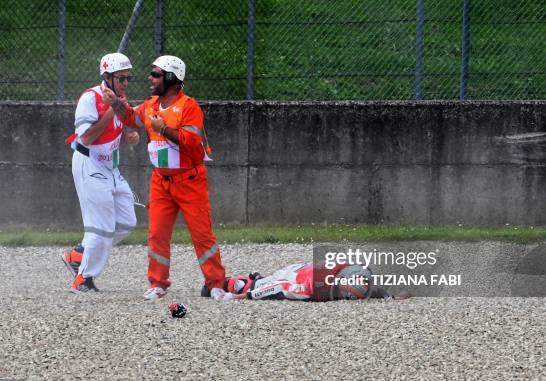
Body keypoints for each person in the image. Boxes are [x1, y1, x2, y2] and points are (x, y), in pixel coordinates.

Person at [109, 55, 227, 301]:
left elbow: (194, 146)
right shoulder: (151, 104)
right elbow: (132, 118)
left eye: (156, 74)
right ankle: (157, 283)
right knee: (157, 234)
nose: (150, 79)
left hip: (190, 181)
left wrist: (163, 129)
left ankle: (215, 283)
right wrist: (119, 106)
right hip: (161, 182)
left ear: (172, 78)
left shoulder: (188, 107)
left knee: (202, 235)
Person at [61, 52, 139, 293]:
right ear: (107, 77)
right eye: (121, 79)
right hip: (89, 163)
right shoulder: (90, 98)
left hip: (110, 167)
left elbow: (122, 125)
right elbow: (86, 138)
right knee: (101, 227)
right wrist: (111, 109)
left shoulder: (121, 99)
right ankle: (83, 279)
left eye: (128, 79)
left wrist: (128, 135)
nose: (126, 84)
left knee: (127, 221)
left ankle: (79, 254)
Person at [220, 262, 411, 301]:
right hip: (289, 276)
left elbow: (371, 288)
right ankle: (230, 285)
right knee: (249, 285)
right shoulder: (312, 288)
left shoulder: (351, 277)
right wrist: (242, 296)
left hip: (295, 271)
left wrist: (392, 297)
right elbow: (278, 287)